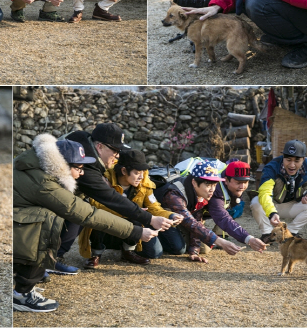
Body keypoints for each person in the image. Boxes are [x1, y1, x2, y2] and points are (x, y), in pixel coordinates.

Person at [13, 134, 158, 312]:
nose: (82, 173)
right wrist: (135, 232)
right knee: (45, 223)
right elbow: (88, 214)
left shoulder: (40, 167)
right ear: (63, 166)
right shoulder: (44, 183)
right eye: (79, 168)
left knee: (50, 216)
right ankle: (22, 294)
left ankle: (32, 273)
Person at [54, 123, 174, 271]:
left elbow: (152, 204)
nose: (117, 156)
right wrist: (150, 219)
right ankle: (48, 259)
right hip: (42, 203)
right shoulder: (88, 167)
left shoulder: (86, 153)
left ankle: (53, 257)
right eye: (115, 150)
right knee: (82, 211)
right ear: (100, 147)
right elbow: (110, 199)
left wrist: (168, 215)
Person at [79, 149, 184, 266]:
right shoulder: (104, 179)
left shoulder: (145, 183)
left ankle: (128, 251)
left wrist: (171, 215)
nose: (141, 176)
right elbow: (96, 205)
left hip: (132, 229)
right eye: (137, 172)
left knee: (154, 252)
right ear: (124, 170)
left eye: (143, 172)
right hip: (106, 228)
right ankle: (96, 253)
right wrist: (132, 212)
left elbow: (154, 207)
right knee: (100, 217)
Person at [155, 159, 243, 263]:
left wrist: (194, 251)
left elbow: (197, 219)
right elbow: (190, 222)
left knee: (203, 248)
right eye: (208, 184)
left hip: (177, 219)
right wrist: (220, 241)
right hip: (156, 218)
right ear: (194, 182)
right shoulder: (174, 194)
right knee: (178, 248)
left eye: (214, 185)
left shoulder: (201, 194)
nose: (212, 189)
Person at [250, 140, 307, 244]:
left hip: (295, 205)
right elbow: (264, 192)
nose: (292, 165)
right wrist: (271, 213)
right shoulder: (271, 167)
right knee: (256, 202)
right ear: (283, 157)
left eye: (297, 161)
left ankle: (292, 233)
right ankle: (267, 234)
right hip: (274, 205)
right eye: (288, 160)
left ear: (303, 159)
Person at [205, 161, 267, 252]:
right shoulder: (216, 191)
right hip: (186, 212)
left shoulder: (231, 182)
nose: (242, 186)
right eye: (238, 182)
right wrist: (248, 238)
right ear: (226, 180)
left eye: (245, 182)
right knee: (203, 249)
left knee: (237, 207)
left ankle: (219, 232)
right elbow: (223, 218)